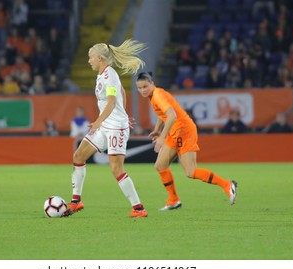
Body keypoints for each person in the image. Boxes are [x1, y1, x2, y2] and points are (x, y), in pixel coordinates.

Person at [62, 39, 148, 218]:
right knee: (78, 156)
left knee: (117, 169)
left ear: (100, 58)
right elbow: (121, 92)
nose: (89, 61)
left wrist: (100, 121)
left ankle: (139, 208)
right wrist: (122, 112)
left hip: (115, 127)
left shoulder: (109, 76)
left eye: (91, 57)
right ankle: (76, 201)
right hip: (107, 124)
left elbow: (110, 102)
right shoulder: (103, 75)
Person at [136, 72, 237, 210]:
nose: (142, 90)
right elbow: (163, 113)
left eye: (145, 86)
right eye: (140, 88)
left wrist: (161, 137)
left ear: (152, 84)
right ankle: (173, 200)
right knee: (160, 165)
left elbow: (172, 115)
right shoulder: (155, 94)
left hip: (183, 130)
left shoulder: (158, 95)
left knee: (191, 172)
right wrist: (157, 129)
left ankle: (227, 185)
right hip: (175, 130)